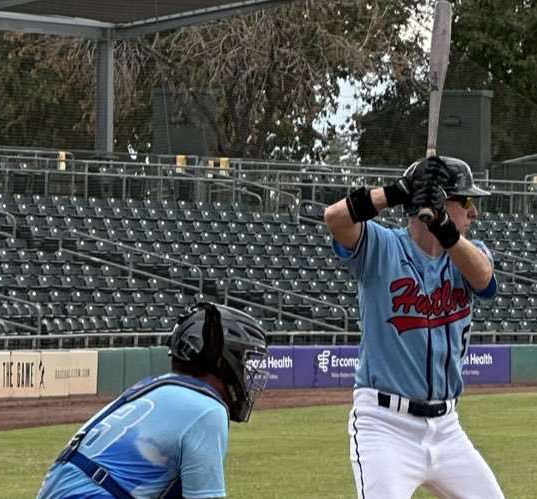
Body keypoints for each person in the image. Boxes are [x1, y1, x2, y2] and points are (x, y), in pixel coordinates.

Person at [323, 156, 503, 498]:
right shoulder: (381, 247)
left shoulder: (468, 253)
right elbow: (335, 218)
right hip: (384, 425)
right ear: (441, 201)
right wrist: (395, 193)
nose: (474, 212)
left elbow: (485, 279)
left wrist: (444, 227)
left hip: (447, 427)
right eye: (466, 201)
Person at [35, 302, 270, 499]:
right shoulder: (207, 408)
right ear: (226, 360)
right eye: (245, 361)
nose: (247, 373)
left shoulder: (152, 388)